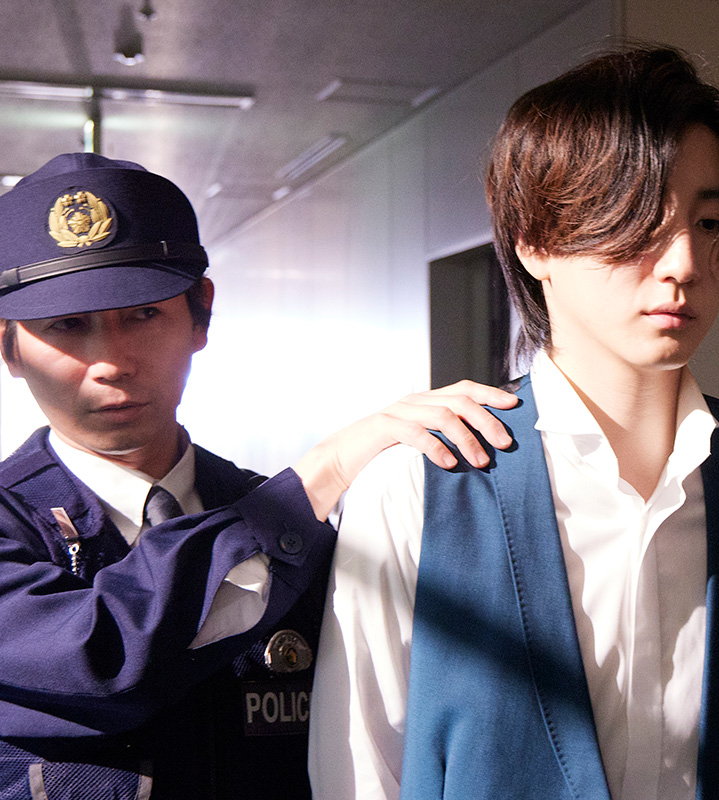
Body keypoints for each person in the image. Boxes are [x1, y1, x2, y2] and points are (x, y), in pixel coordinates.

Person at [309, 46, 719, 800]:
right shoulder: (418, 488)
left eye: (711, 222)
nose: (685, 262)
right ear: (536, 242)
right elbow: (360, 777)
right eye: (639, 223)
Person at [0, 152, 516, 799]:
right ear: (7, 344)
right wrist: (322, 473)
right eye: (67, 326)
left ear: (201, 313)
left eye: (143, 314)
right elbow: (103, 657)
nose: (111, 362)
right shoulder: (288, 519)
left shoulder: (298, 528)